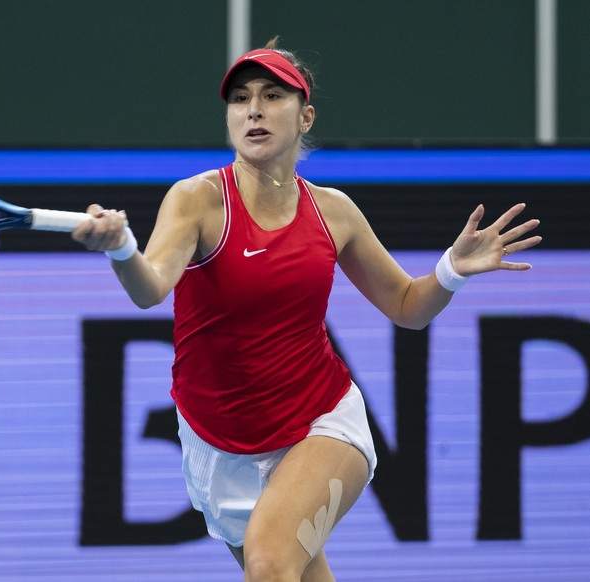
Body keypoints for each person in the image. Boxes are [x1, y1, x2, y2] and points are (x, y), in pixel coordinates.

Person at [72, 37, 541, 581]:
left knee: (269, 563)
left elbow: (409, 307)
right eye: (241, 98)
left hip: (320, 420)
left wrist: (452, 270)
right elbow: (150, 288)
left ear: (305, 115)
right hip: (216, 442)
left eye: (272, 96)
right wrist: (123, 249)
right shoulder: (196, 199)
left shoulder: (333, 212)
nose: (254, 109)